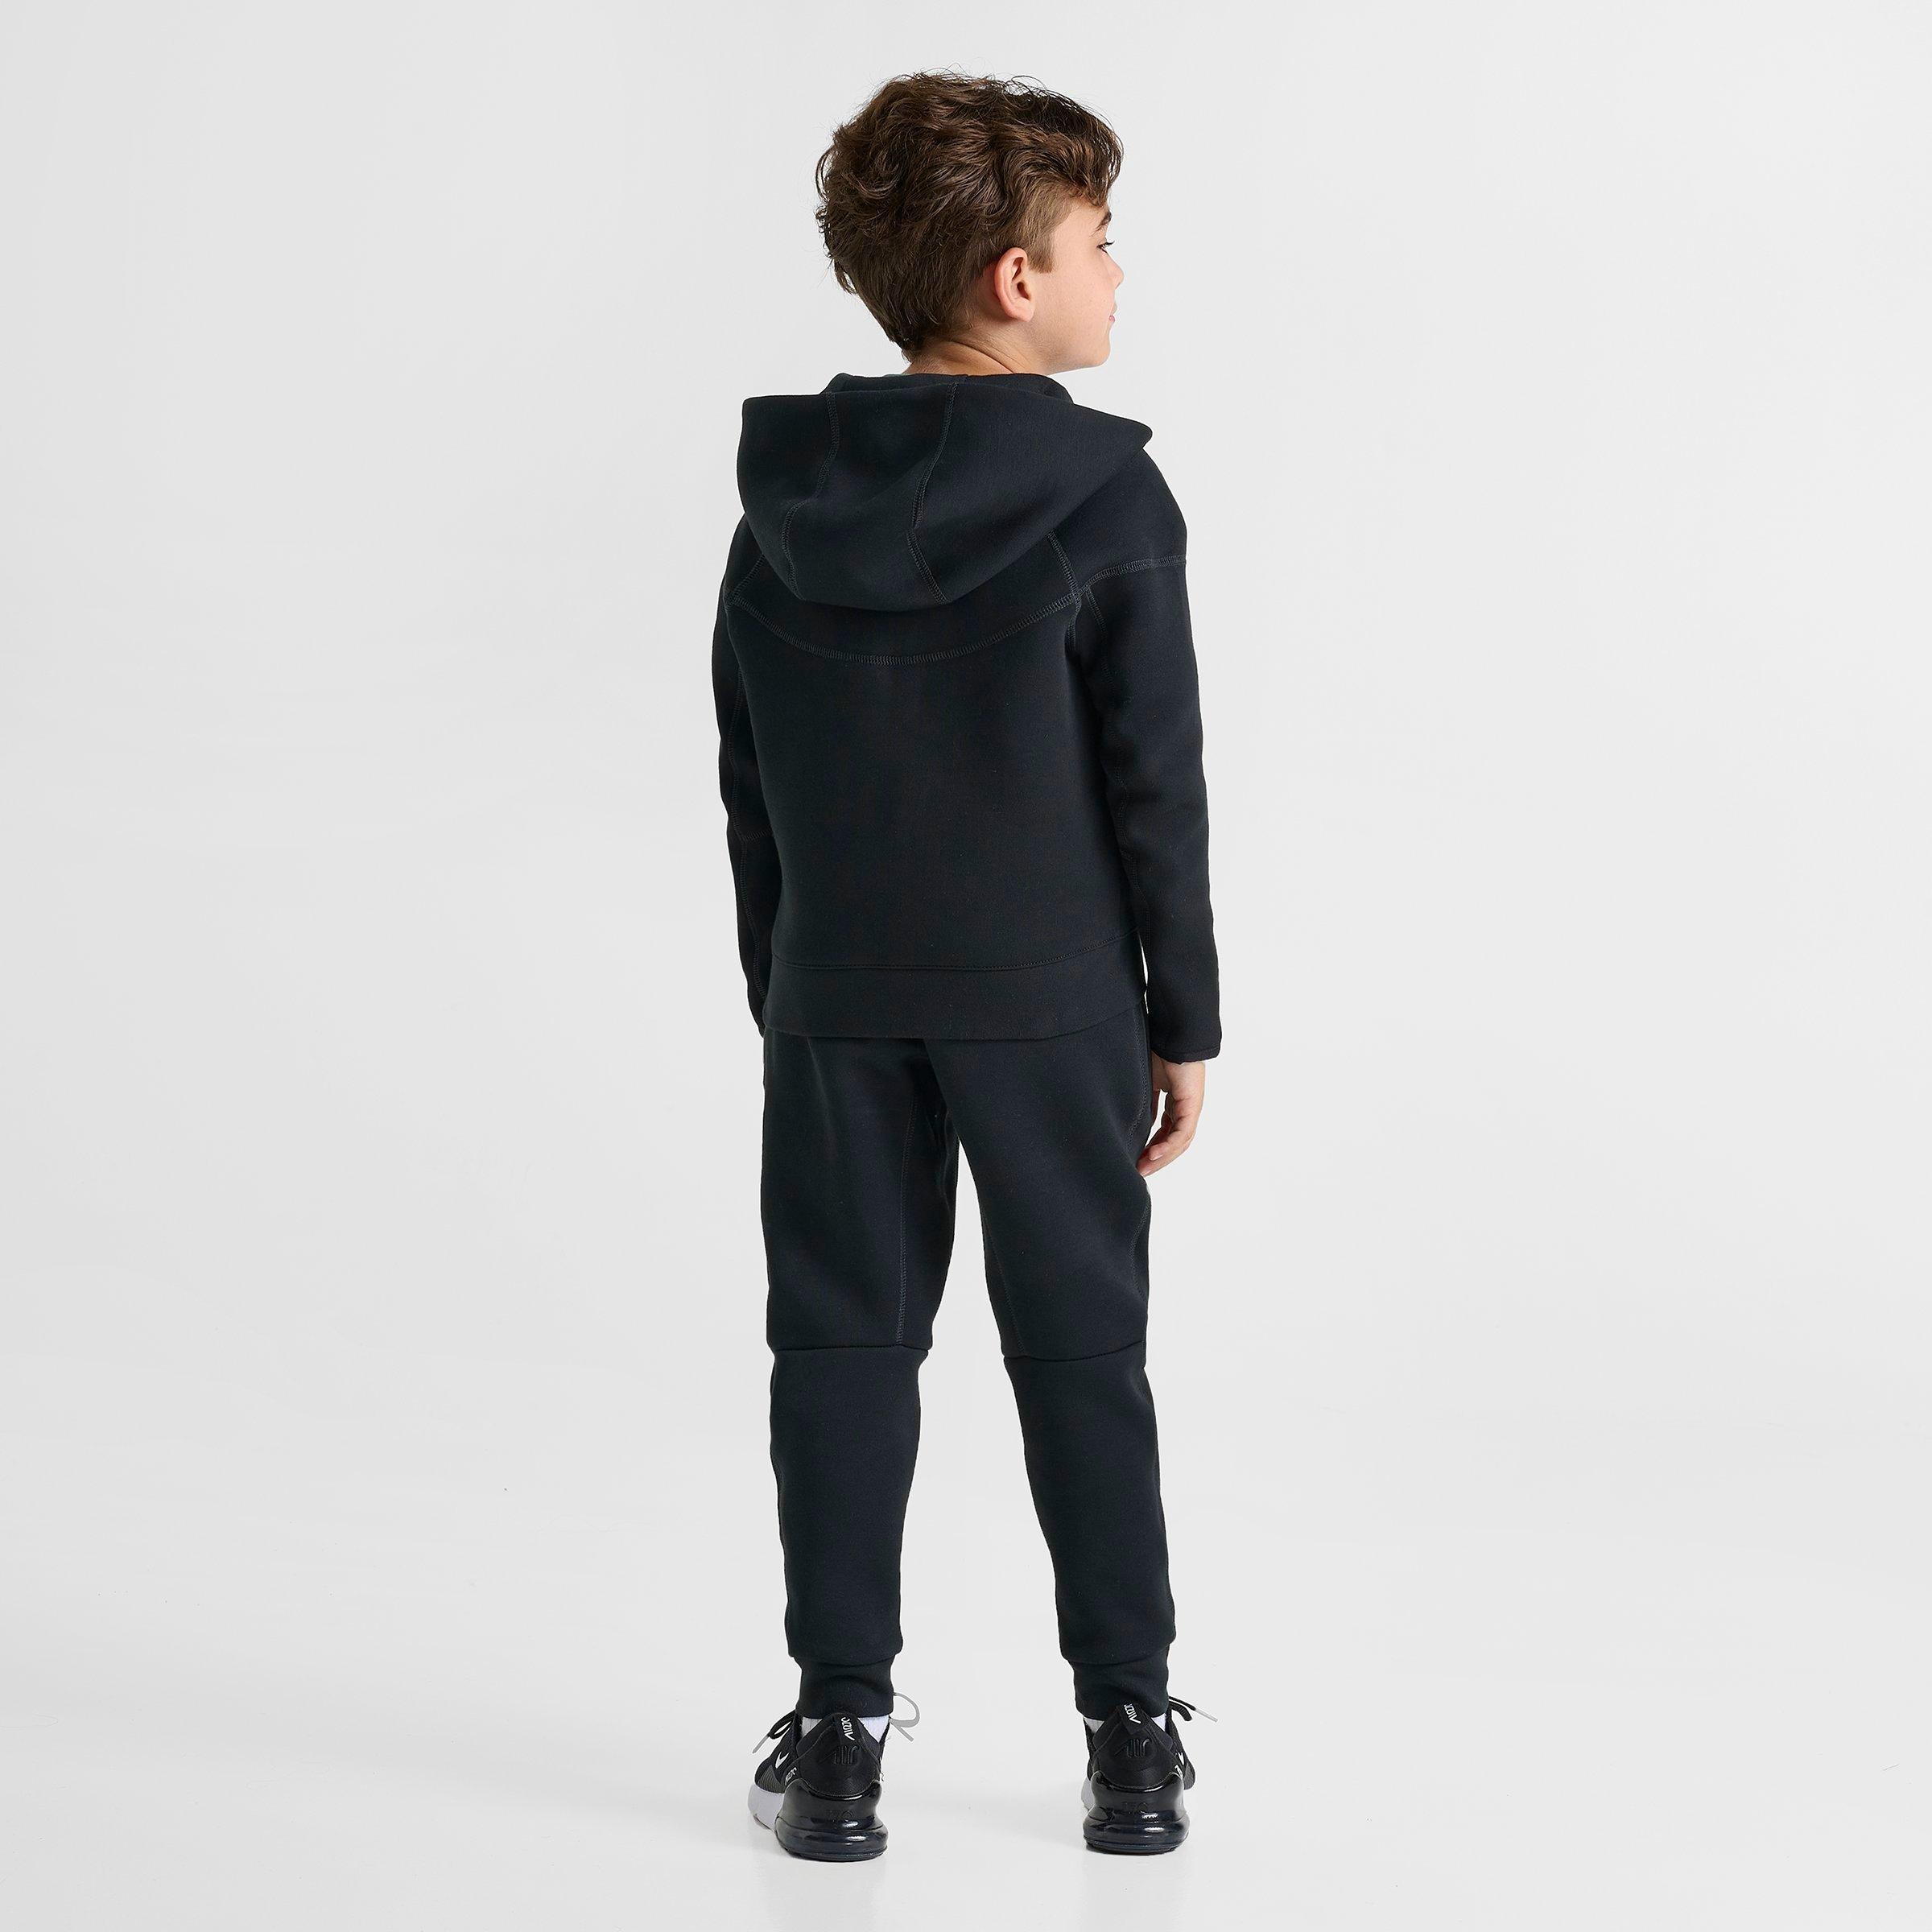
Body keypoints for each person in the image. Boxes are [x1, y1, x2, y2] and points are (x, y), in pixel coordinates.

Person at [710, 71, 1222, 1860]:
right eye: (1100, 243)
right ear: (1019, 278)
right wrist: (1183, 1019)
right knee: (1084, 1349)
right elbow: (1156, 788)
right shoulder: (1109, 500)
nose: (1116, 275)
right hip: (1053, 1002)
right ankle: (1131, 1735)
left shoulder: (780, 507)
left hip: (837, 997)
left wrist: (788, 985)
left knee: (838, 1349)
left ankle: (838, 1736)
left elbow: (752, 780)